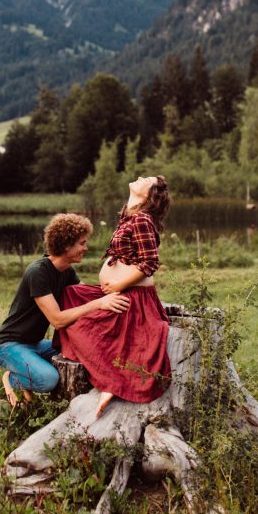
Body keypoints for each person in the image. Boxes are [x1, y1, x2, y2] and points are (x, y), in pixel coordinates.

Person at [56, 175, 171, 416]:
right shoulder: (129, 216)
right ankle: (107, 376)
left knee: (85, 325)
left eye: (147, 179)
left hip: (134, 298)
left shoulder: (141, 219)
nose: (140, 177)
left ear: (150, 195)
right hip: (121, 291)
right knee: (71, 294)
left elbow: (150, 262)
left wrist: (118, 285)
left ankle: (112, 381)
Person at [0, 213, 130, 406]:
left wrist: (115, 289)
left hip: (36, 343)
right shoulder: (38, 272)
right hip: (9, 345)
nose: (86, 248)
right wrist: (98, 304)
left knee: (82, 354)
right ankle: (12, 378)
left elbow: (84, 296)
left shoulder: (66, 271)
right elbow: (57, 319)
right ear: (66, 245)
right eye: (82, 243)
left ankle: (33, 372)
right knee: (49, 379)